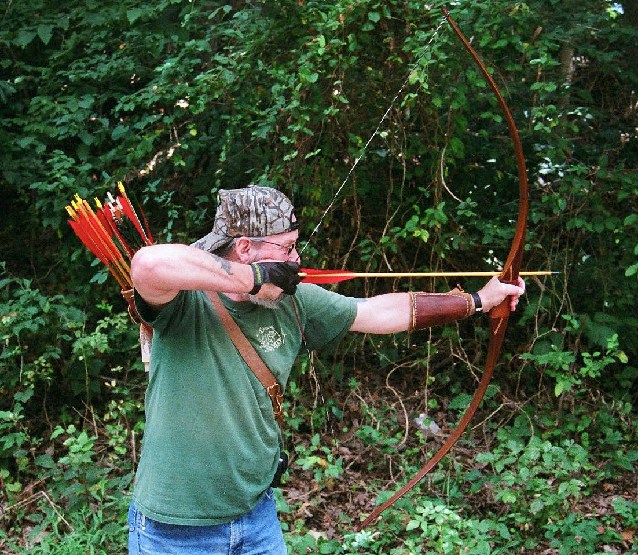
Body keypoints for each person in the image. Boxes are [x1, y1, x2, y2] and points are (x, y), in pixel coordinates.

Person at [127, 185, 525, 554]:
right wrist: (255, 280)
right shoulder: (185, 302)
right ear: (246, 247)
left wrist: (477, 300)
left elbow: (375, 312)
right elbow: (148, 264)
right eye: (286, 249)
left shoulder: (291, 301)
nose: (296, 260)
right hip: (175, 529)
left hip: (256, 515)